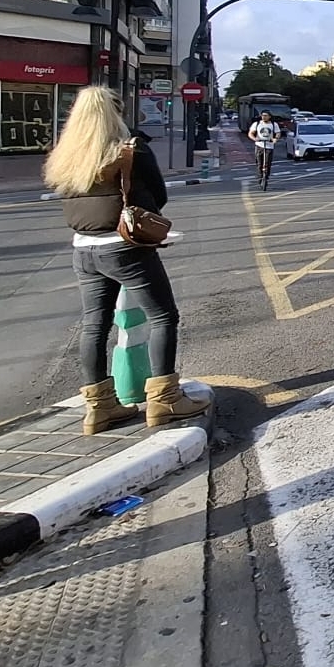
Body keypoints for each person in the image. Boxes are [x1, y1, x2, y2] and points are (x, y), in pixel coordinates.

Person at [44, 86, 209, 434]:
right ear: (115, 113)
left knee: (94, 325)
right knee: (164, 316)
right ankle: (164, 399)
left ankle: (100, 409)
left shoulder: (67, 155)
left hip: (83, 249)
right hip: (123, 246)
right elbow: (157, 198)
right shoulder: (129, 150)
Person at [248, 110, 282, 181]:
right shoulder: (257, 124)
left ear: (269, 116)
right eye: (263, 115)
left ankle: (266, 176)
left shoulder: (273, 124)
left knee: (267, 163)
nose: (264, 117)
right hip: (259, 145)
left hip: (269, 146)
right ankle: (260, 176)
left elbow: (278, 133)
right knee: (259, 162)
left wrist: (275, 138)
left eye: (266, 115)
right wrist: (255, 138)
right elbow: (250, 133)